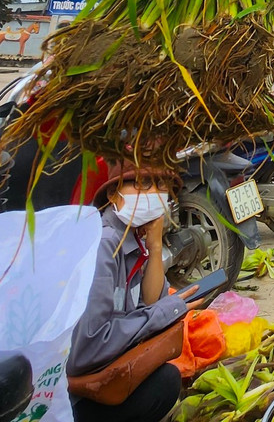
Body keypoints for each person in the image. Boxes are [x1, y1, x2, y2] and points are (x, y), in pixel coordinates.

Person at [68, 167, 193, 422]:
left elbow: (150, 301)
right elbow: (89, 345)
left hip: (106, 368)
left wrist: (155, 246)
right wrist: (164, 312)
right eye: (142, 184)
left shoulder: (134, 240)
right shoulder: (103, 244)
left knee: (166, 373)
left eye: (160, 186)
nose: (153, 194)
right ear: (114, 195)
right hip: (74, 393)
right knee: (165, 382)